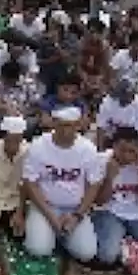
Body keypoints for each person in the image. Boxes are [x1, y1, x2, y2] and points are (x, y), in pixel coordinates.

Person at [21, 106, 101, 262]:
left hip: (75, 209)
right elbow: (30, 183)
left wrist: (77, 216)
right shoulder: (38, 145)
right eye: (61, 125)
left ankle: (61, 234)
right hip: (45, 207)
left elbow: (94, 185)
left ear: (77, 126)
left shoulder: (88, 149)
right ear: (53, 124)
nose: (65, 131)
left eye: (70, 125)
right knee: (39, 250)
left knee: (87, 253)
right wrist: (50, 215)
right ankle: (53, 232)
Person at [93, 127, 138, 270]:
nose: (127, 156)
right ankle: (128, 246)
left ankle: (128, 245)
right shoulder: (102, 160)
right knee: (107, 257)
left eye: (132, 151)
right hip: (109, 212)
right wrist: (110, 178)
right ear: (113, 147)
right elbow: (99, 201)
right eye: (122, 150)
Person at [0, 116, 28, 238]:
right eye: (11, 139)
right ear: (4, 137)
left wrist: (19, 213)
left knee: (20, 234)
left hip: (15, 201)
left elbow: (26, 185)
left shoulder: (28, 152)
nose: (14, 144)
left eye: (18, 140)